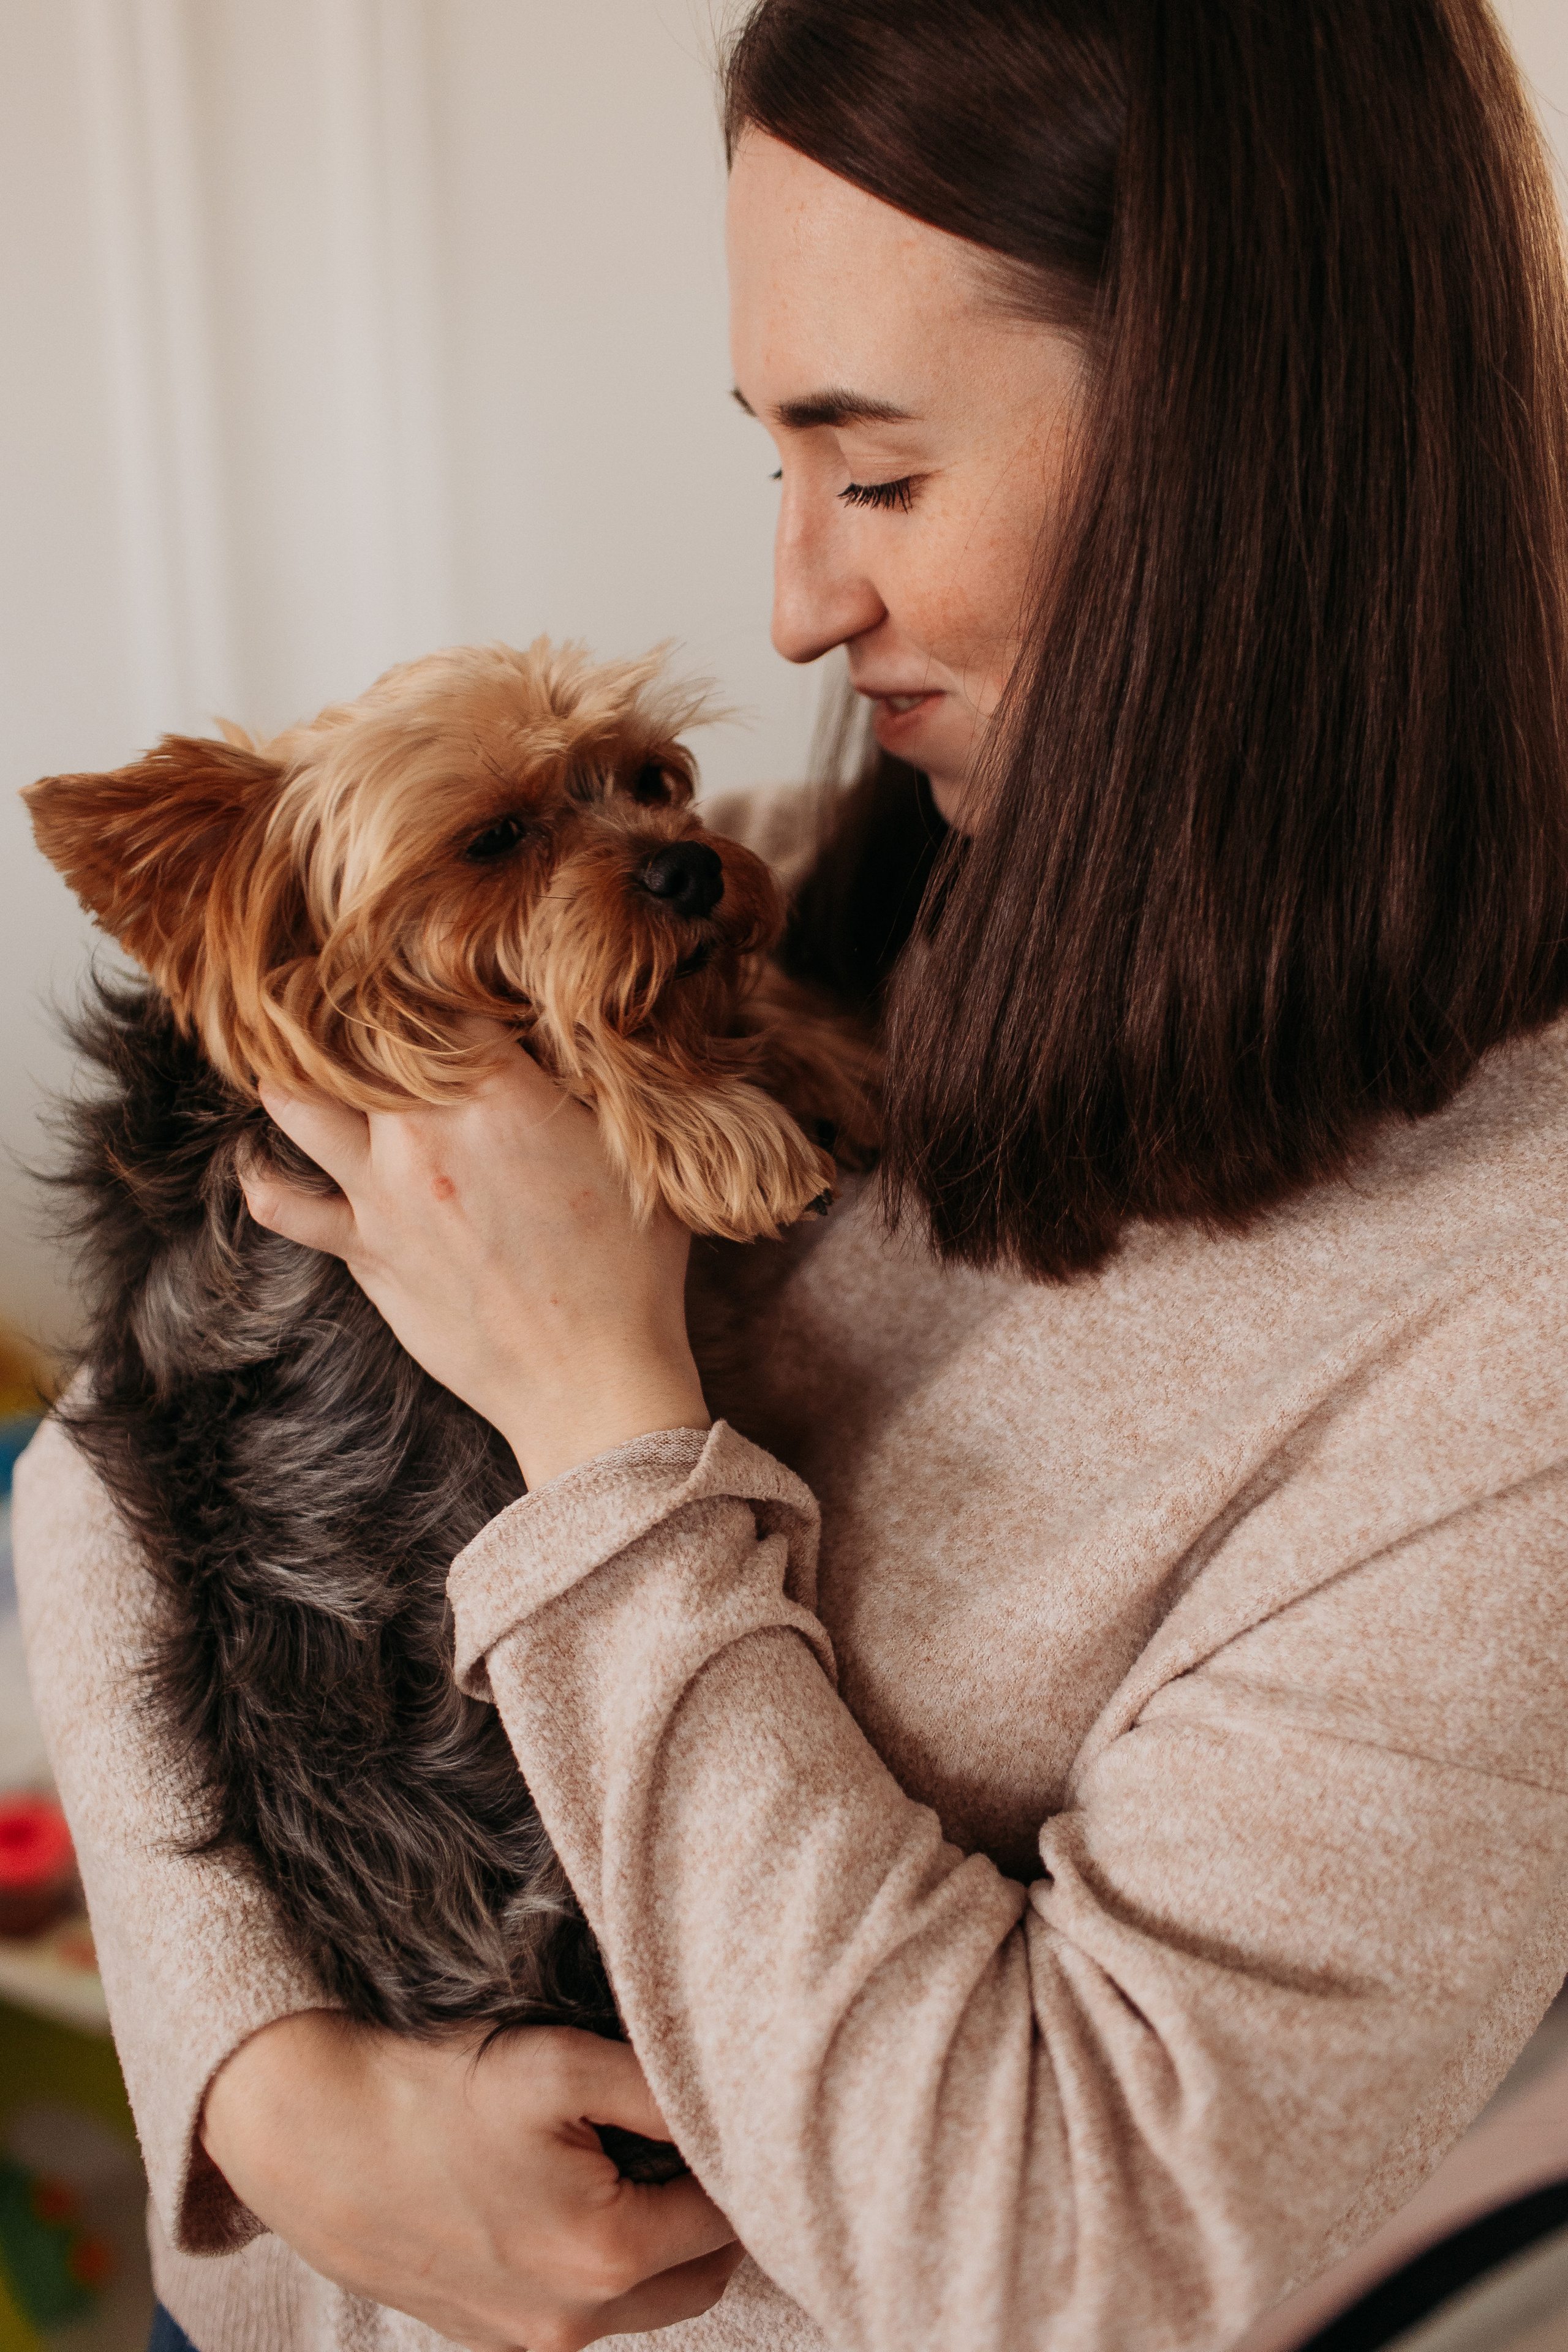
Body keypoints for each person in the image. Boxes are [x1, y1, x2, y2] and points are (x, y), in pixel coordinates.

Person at [16, 2, 1568, 2348]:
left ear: (1236, 453)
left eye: (881, 474)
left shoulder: (1510, 1326)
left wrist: (589, 1404)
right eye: (770, 457)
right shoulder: (812, 910)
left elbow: (1064, 2259)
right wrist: (269, 2093)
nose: (793, 609)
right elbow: (98, 1472)